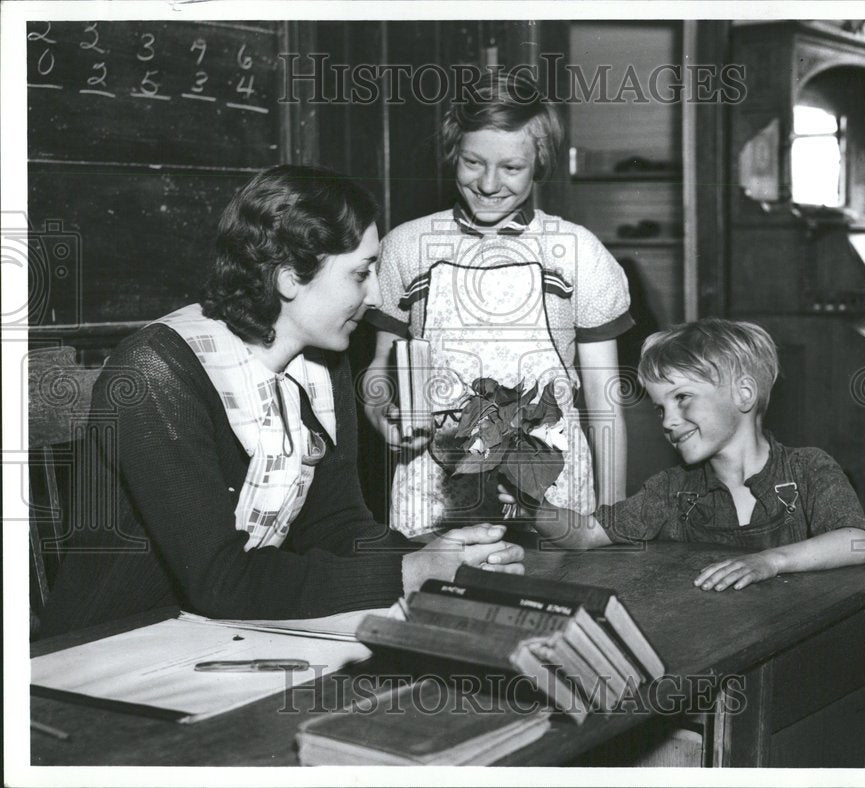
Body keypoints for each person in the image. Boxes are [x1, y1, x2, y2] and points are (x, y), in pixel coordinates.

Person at [38, 165, 523, 638]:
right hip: (115, 646)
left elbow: (336, 525)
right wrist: (408, 572)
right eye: (361, 273)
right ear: (290, 277)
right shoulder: (156, 373)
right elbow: (220, 581)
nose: (376, 296)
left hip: (229, 630)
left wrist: (446, 558)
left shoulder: (322, 360)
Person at [362, 71, 634, 539]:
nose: (489, 184)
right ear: (454, 153)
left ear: (539, 162)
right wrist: (380, 413)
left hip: (553, 494)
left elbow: (606, 406)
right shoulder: (407, 248)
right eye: (473, 162)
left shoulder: (577, 252)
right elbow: (377, 374)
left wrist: (608, 523)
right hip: (433, 489)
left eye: (511, 168)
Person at [508, 318, 865, 591]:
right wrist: (528, 503)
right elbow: (587, 533)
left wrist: (770, 561)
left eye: (682, 398)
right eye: (660, 408)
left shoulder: (808, 469)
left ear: (744, 394)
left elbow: (857, 541)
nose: (669, 421)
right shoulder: (671, 489)